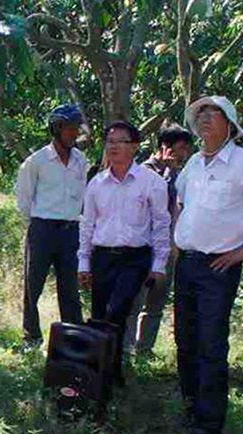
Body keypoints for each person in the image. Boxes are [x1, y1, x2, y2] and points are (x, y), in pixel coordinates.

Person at [173, 96, 243, 434]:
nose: (205, 119)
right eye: (200, 114)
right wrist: (177, 240)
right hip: (188, 264)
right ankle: (193, 410)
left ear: (230, 123)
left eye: (213, 114)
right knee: (185, 339)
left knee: (211, 345)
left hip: (219, 267)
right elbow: (180, 202)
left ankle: (209, 430)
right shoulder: (194, 163)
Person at [78, 121, 170, 394]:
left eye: (120, 141)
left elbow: (161, 225)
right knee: (99, 316)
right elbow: (87, 225)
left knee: (116, 311)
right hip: (103, 257)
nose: (114, 146)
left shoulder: (150, 182)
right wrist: (83, 263)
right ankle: (105, 375)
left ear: (135, 146)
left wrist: (159, 265)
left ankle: (107, 375)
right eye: (110, 141)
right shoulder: (96, 184)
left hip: (134, 258)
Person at [15, 104, 89, 350]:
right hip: (43, 229)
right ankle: (32, 337)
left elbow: (83, 197)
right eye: (69, 129)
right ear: (56, 128)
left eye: (76, 129)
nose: (74, 133)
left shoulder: (80, 160)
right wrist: (38, 225)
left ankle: (73, 337)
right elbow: (24, 200)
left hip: (71, 231)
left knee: (69, 287)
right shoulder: (36, 162)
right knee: (32, 284)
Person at [124, 123, 193, 355]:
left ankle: (145, 348)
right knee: (134, 300)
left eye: (186, 149)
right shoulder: (144, 170)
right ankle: (126, 349)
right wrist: (167, 173)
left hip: (167, 248)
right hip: (143, 247)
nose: (184, 154)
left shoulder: (178, 175)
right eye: (181, 148)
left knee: (156, 302)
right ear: (165, 147)